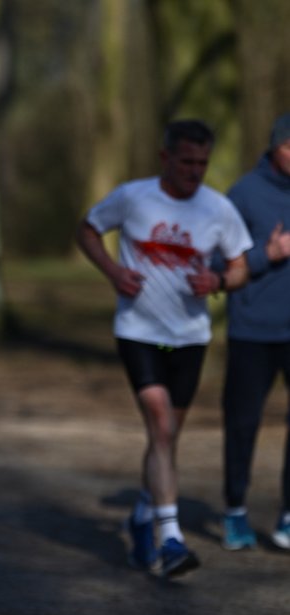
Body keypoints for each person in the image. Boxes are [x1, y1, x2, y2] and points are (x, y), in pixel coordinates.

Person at [76, 119, 252, 578]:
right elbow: (88, 230)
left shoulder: (218, 208)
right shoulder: (133, 197)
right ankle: (171, 539)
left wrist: (218, 281)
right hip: (138, 330)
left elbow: (240, 268)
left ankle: (141, 514)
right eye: (187, 161)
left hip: (190, 336)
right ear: (165, 158)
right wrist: (113, 272)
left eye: (203, 163)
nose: (195, 171)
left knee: (166, 438)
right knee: (160, 421)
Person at [219, 112, 290, 551]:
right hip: (253, 331)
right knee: (243, 423)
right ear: (275, 147)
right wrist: (268, 255)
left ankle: (288, 516)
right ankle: (234, 510)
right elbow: (217, 266)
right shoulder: (242, 196)